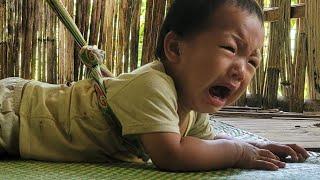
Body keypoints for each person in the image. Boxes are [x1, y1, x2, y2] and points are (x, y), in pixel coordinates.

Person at [0, 0, 309, 171]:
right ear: (175, 48)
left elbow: (204, 141)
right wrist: (238, 153)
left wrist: (257, 146)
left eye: (252, 61)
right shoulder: (153, 85)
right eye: (230, 48)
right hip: (15, 112)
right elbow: (172, 154)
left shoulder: (192, 103)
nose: (242, 68)